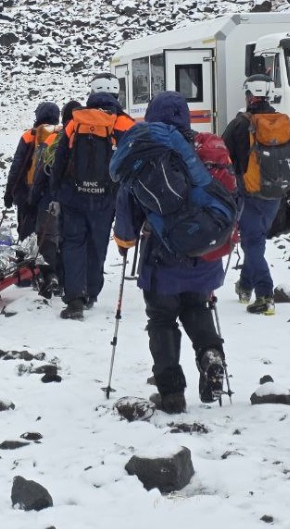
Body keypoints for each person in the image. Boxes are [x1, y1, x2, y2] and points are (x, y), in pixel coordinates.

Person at [112, 92, 227, 414]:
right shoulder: (206, 148)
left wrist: (125, 240)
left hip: (163, 254)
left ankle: (172, 393)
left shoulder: (147, 153)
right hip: (207, 251)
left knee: (161, 319)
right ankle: (210, 355)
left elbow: (127, 206)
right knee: (197, 306)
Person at [49, 85, 134, 320]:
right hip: (106, 199)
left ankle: (75, 298)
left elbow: (60, 160)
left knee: (73, 243)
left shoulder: (75, 121)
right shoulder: (125, 124)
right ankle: (92, 292)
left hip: (73, 197)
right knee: (97, 245)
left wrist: (56, 191)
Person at [222, 75, 290, 315]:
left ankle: (265, 294)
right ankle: (245, 286)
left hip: (247, 193)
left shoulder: (239, 124)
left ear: (247, 94)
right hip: (275, 194)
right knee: (254, 241)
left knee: (251, 242)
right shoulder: (285, 123)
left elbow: (224, 158)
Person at [30, 100, 81, 299]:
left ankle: (52, 277)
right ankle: (72, 281)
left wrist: (33, 199)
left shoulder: (53, 138)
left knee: (49, 241)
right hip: (77, 201)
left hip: (50, 200)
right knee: (70, 241)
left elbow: (40, 173)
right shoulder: (86, 137)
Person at [4, 102, 59, 241]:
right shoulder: (61, 135)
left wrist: (9, 193)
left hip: (27, 193)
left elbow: (17, 167)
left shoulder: (29, 136)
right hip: (53, 194)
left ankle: (25, 258)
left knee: (26, 234)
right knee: (51, 234)